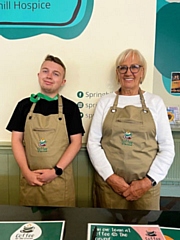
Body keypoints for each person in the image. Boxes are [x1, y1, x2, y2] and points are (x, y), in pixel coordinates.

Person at [87, 49, 175, 210]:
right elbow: (93, 143)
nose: (129, 72)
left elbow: (168, 148)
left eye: (134, 67)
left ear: (142, 72)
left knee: (144, 232)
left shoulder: (155, 102)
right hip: (110, 187)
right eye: (123, 68)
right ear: (117, 73)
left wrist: (148, 181)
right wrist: (111, 178)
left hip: (146, 189)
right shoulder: (105, 102)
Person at [6, 55, 85, 206]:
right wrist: (26, 172)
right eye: (45, 71)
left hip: (59, 181)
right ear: (38, 75)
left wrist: (56, 171)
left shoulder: (70, 108)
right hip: (30, 179)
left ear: (63, 82)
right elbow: (16, 140)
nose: (49, 76)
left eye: (56, 74)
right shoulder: (24, 106)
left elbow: (76, 143)